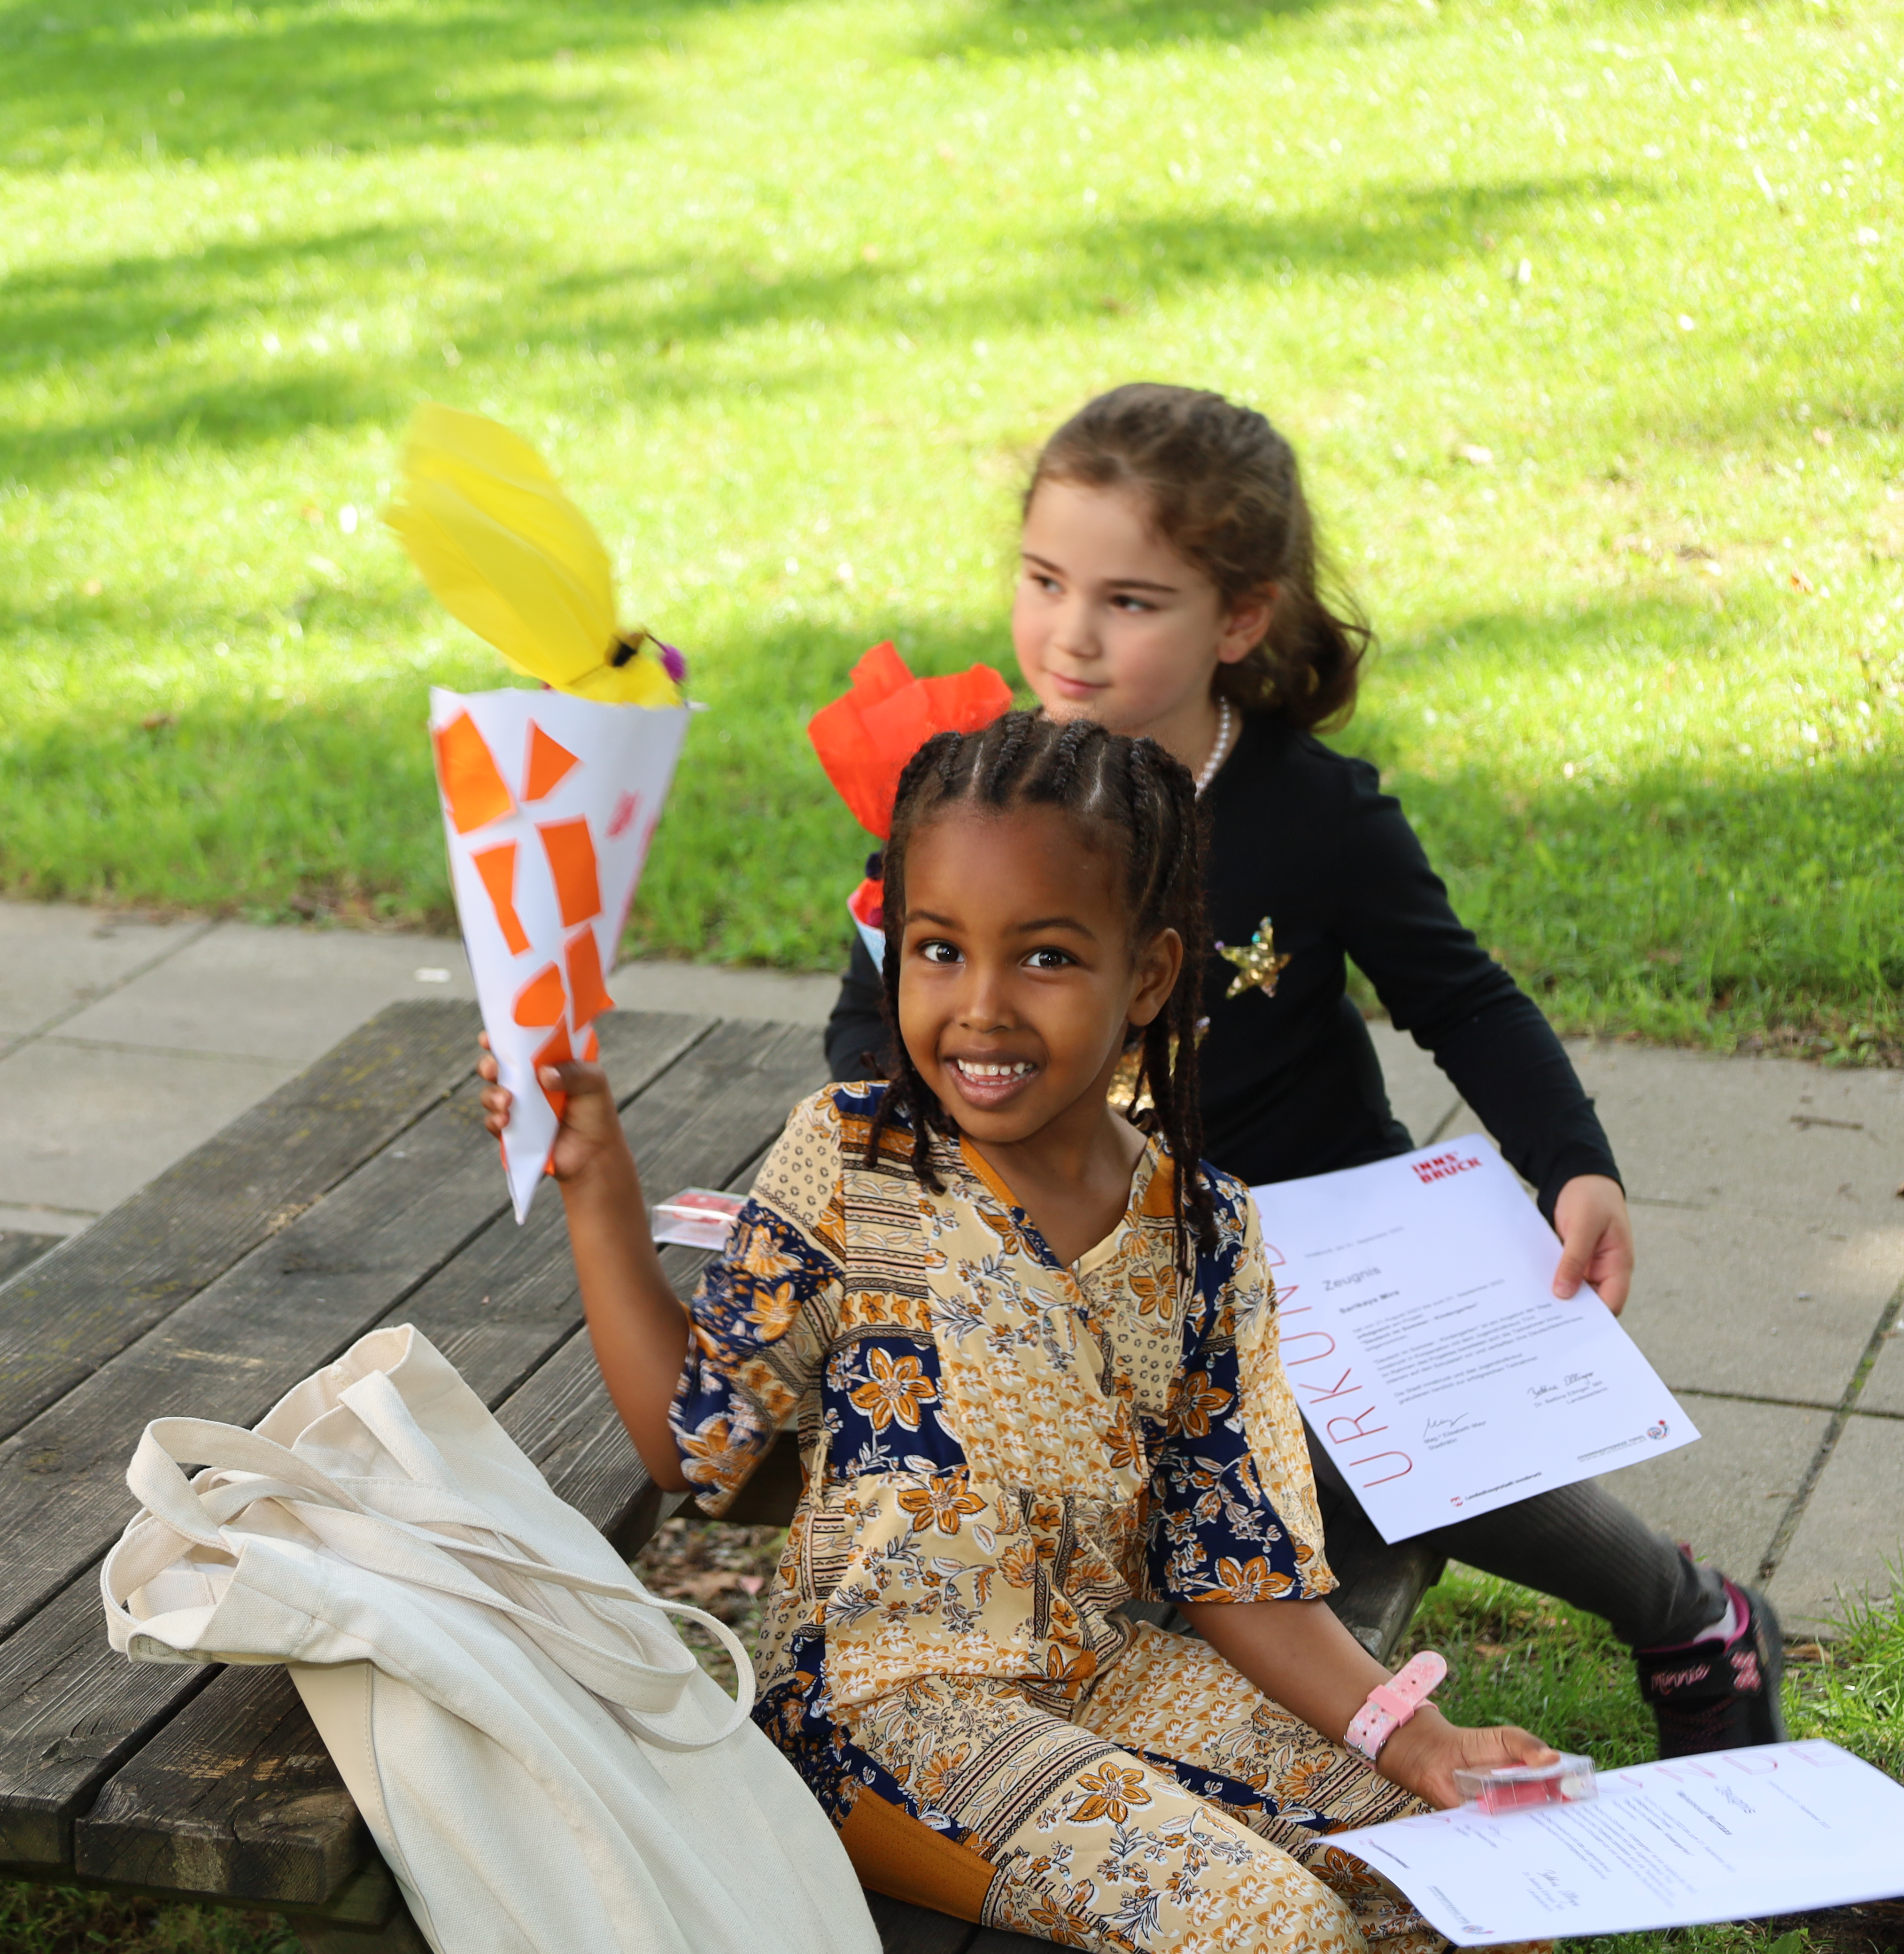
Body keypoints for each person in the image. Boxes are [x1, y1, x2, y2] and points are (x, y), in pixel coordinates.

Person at [488, 710, 1556, 1954]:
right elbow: (696, 1455)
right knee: (1284, 1932)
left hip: (1103, 1673)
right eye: (938, 951)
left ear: (1147, 976)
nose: (980, 1008)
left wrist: (1417, 1744)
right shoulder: (851, 1159)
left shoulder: (1205, 1224)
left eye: (1044, 958)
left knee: (1477, 1875)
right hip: (880, 1715)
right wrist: (596, 1183)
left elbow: (1237, 1570)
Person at [822, 384, 1780, 1756]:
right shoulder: (986, 792)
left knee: (1374, 1445)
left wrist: (1574, 1162)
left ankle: (1686, 1613)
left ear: (1244, 618)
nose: (1069, 635)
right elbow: (871, 993)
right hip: (1091, 1254)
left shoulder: (1314, 816)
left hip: (1322, 1244)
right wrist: (887, 1130)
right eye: (1044, 582)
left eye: (1131, 601)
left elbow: (1464, 998)